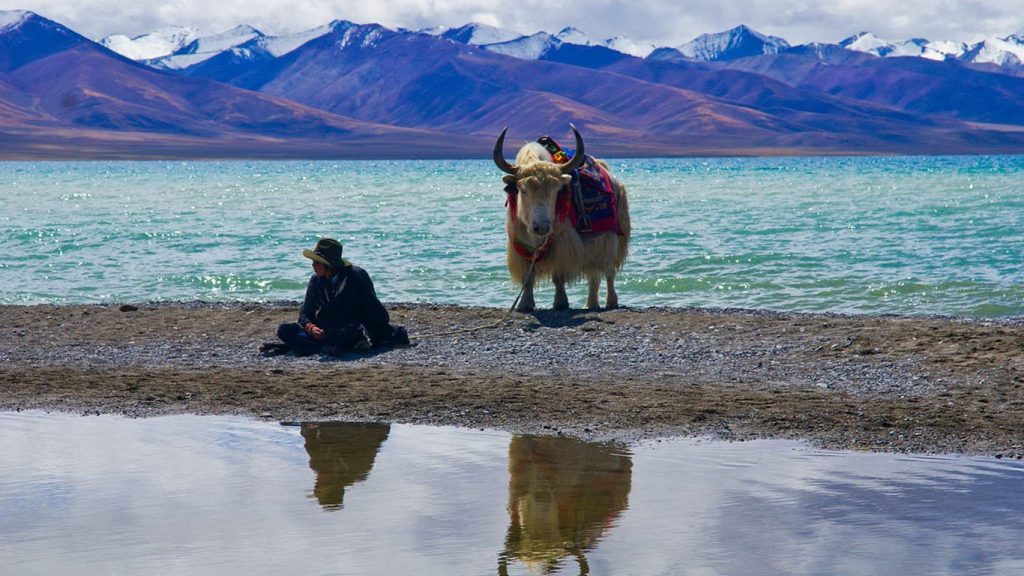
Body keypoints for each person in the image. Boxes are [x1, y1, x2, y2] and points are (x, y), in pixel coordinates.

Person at [260, 238, 408, 356]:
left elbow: (375, 311)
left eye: (316, 262)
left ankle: (309, 347)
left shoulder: (355, 276)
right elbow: (305, 314)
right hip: (324, 331)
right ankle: (323, 347)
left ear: (328, 264)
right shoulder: (315, 281)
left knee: (353, 332)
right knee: (284, 330)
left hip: (350, 328)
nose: (313, 265)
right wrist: (312, 328)